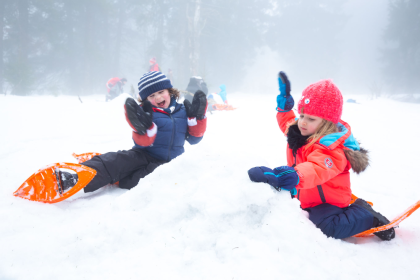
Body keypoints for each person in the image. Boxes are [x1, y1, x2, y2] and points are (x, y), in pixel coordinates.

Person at [248, 71, 395, 241]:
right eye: (301, 115)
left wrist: (293, 175)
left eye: (310, 118)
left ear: (326, 122)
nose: (302, 121)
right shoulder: (300, 133)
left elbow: (317, 168)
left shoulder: (332, 148)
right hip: (305, 195)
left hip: (328, 202)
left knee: (326, 228)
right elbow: (286, 122)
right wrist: (284, 107)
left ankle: (367, 215)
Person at [58, 71, 208, 194]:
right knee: (117, 161)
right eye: (151, 96)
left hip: (170, 164)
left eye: (161, 92)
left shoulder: (183, 111)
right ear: (145, 99)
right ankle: (76, 177)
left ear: (170, 91)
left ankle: (120, 176)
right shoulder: (146, 114)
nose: (158, 98)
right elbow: (141, 142)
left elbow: (194, 140)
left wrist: (198, 120)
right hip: (143, 155)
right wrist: (145, 129)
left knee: (144, 179)